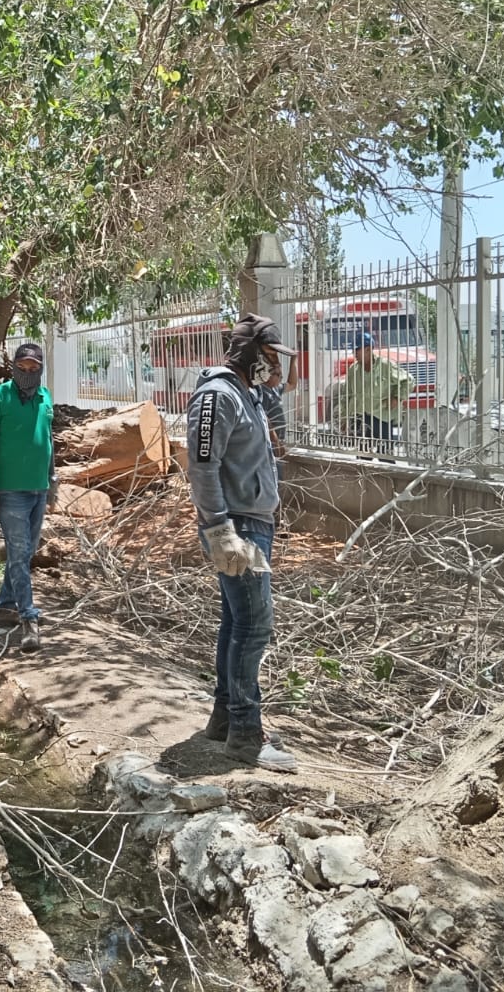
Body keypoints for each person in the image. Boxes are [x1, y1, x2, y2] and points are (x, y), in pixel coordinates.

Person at [185, 313, 298, 772]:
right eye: (270, 356)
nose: (275, 366)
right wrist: (218, 529)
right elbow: (202, 466)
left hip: (253, 523)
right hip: (237, 527)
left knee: (237, 622)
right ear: (249, 353)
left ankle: (224, 719)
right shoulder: (218, 396)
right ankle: (247, 734)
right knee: (253, 626)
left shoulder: (247, 394)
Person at [0, 342, 58, 654]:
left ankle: (5, 607)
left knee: (26, 552)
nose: (27, 372)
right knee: (20, 553)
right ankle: (28, 617)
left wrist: (53, 480)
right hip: (10, 491)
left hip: (38, 488)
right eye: (21, 367)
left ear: (40, 368)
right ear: (13, 367)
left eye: (33, 367)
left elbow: (47, 441)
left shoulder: (45, 397)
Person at [334, 331, 412, 442]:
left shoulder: (385, 366)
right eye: (353, 350)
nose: (354, 353)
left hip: (381, 416)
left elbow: (408, 380)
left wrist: (397, 397)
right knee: (361, 450)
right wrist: (344, 418)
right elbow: (346, 396)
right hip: (359, 417)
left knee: (384, 450)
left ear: (368, 349)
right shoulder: (353, 370)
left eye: (357, 349)